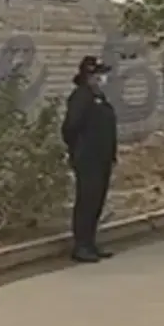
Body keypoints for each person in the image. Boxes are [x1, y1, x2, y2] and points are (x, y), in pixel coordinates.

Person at [61, 56, 119, 263]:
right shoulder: (81, 97)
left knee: (97, 201)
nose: (102, 78)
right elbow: (70, 127)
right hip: (88, 158)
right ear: (88, 75)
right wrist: (78, 150)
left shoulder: (99, 97)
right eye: (99, 74)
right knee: (86, 201)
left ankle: (91, 243)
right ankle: (81, 246)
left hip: (102, 158)